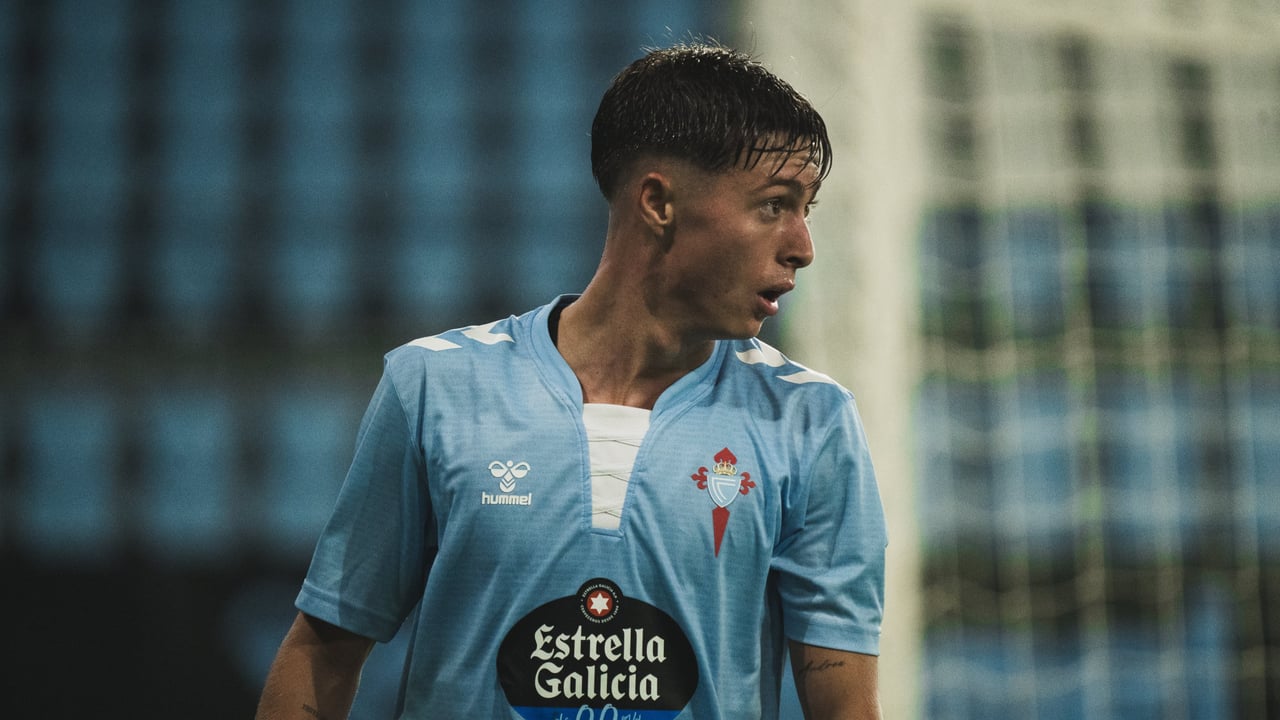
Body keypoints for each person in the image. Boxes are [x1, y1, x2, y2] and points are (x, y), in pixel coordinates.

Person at [256, 41, 887, 719]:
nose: (802, 247)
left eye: (806, 210)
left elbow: (844, 710)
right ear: (659, 202)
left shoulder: (811, 420)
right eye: (773, 205)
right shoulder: (435, 387)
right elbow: (321, 656)